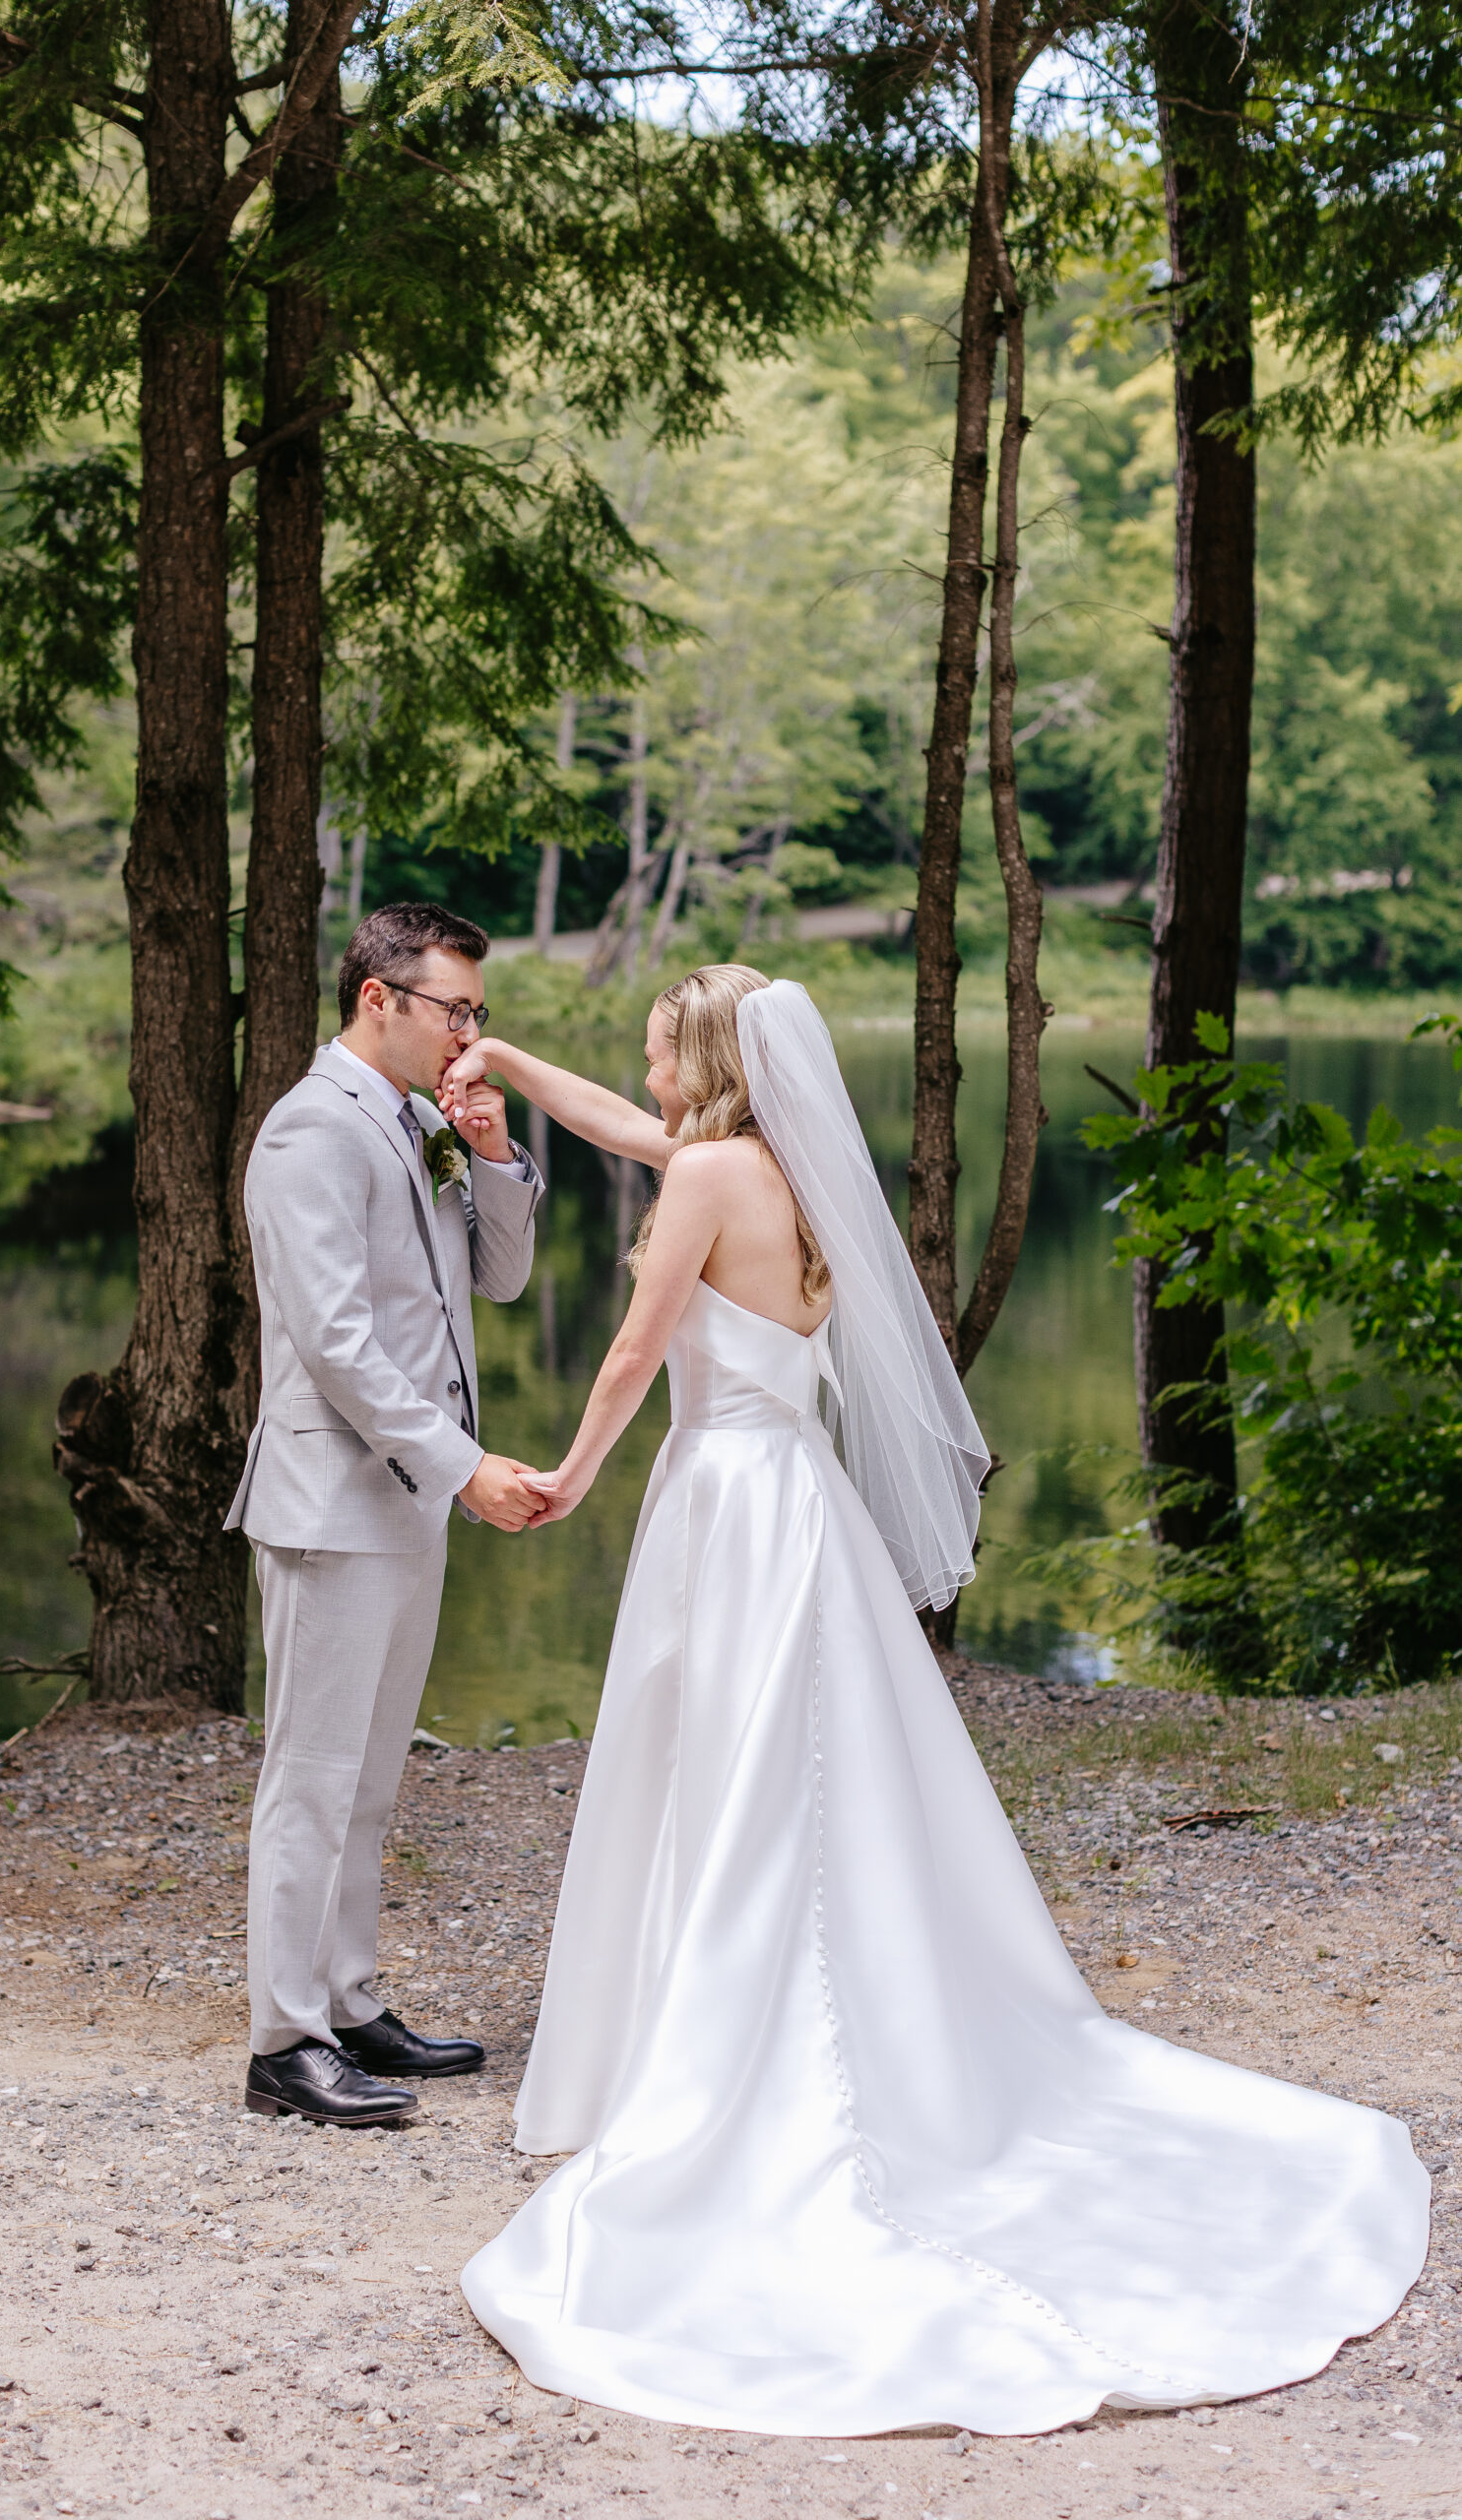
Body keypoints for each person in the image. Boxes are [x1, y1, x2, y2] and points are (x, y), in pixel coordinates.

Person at [440, 965, 1428, 2437]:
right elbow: (609, 1128)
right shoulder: (769, 1167)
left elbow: (636, 1351)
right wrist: (510, 1066)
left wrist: (566, 1479)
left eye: (651, 1047)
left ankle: (731, 2060)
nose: (636, 1068)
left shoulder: (708, 1173)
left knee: (739, 1769)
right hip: (796, 1503)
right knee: (806, 1770)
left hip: (724, 1499)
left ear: (696, 1060)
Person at [226, 903, 544, 2129]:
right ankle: (282, 2041)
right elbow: (338, 1342)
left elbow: (500, 1277)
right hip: (333, 1496)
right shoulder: (311, 1130)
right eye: (453, 1007)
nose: (469, 1030)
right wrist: (464, 1465)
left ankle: (350, 2001)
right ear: (378, 998)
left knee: (367, 1777)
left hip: (408, 1497)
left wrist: (497, 1153)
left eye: (478, 1010)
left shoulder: (419, 1125)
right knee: (309, 1776)